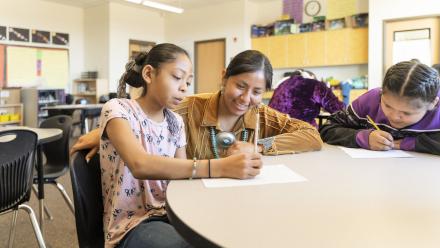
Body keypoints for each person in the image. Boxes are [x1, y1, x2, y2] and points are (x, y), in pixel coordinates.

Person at [95, 43, 263, 248]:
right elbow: (140, 164)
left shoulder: (175, 122)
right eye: (177, 77)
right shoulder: (118, 109)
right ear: (149, 74)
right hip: (133, 225)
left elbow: (182, 176)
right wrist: (220, 167)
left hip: (174, 214)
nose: (184, 87)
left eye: (188, 81)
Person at [71, 50, 323, 161]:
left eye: (257, 92)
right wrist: (105, 132)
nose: (246, 98)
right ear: (224, 77)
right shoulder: (189, 107)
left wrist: (259, 145)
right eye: (240, 86)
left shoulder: (260, 114)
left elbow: (311, 135)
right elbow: (140, 114)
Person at [320, 60, 440, 155]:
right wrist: (363, 137)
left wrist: (409, 143)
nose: (394, 116)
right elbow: (328, 128)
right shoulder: (370, 100)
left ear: (433, 103)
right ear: (381, 93)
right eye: (387, 105)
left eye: (407, 113)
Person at [268, 69, 345, 128]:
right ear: (312, 77)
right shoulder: (315, 84)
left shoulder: (281, 86)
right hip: (302, 134)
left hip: (273, 133)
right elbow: (339, 110)